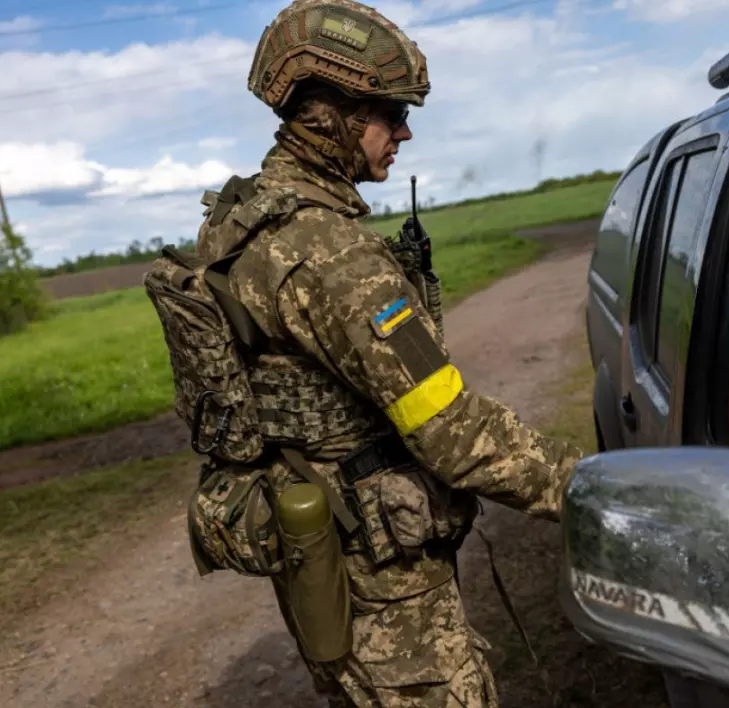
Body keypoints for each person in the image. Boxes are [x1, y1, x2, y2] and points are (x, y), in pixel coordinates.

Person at [189, 1, 584, 705]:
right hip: (383, 580)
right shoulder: (331, 255)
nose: (403, 131)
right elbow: (453, 433)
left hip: (320, 554)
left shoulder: (239, 224)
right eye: (389, 112)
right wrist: (583, 487)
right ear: (328, 114)